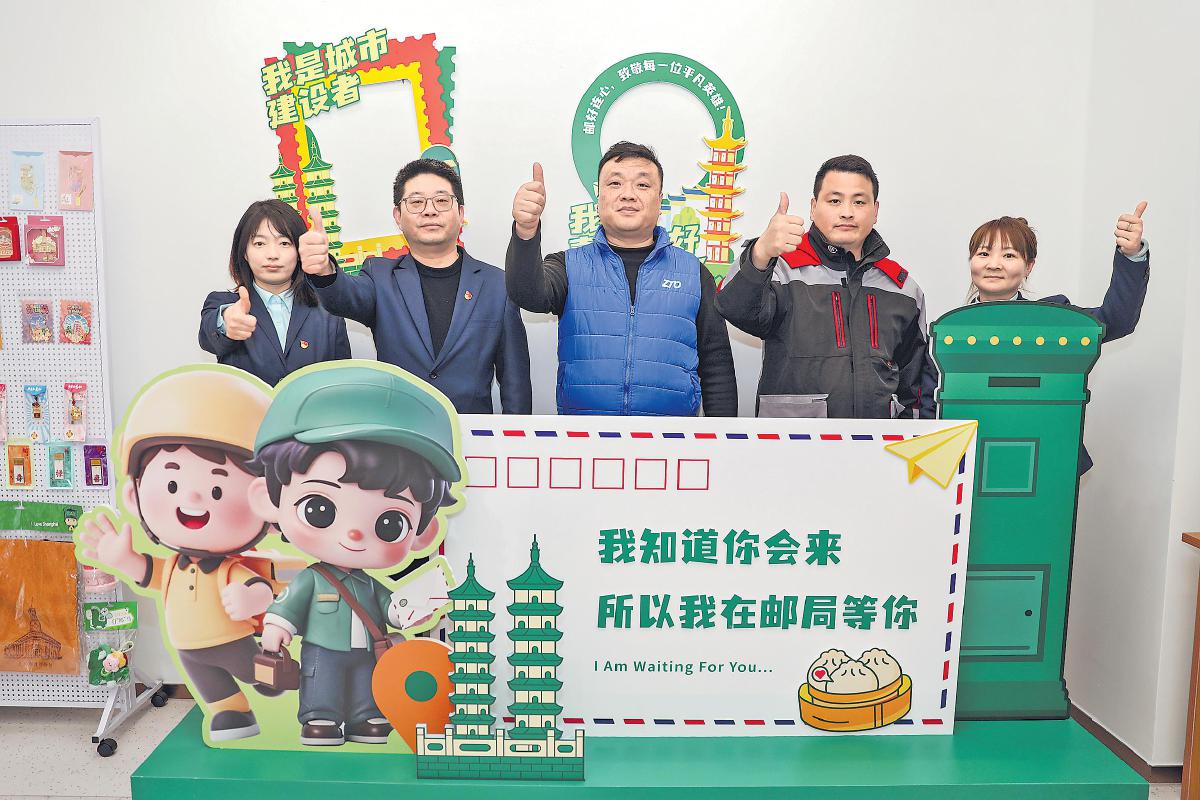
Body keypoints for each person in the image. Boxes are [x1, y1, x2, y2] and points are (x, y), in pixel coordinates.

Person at [251, 364, 460, 746]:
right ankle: (320, 718)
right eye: (319, 509)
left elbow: (390, 607)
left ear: (423, 533)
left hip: (368, 651)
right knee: (321, 684)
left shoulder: (369, 584)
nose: (353, 534)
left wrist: (413, 608)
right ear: (269, 499)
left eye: (389, 523)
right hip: (322, 650)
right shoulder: (313, 579)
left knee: (369, 685)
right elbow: (288, 606)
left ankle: (367, 718)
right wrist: (277, 629)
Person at [78, 369, 278, 742]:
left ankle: (275, 678)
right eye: (172, 484)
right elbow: (151, 573)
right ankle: (232, 712)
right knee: (211, 685)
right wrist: (122, 559)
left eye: (217, 489)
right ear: (134, 495)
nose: (193, 499)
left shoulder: (227, 568)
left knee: (261, 675)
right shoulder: (174, 565)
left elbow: (257, 585)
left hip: (232, 641)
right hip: (188, 648)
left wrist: (252, 597)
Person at [506, 141, 737, 416]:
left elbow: (717, 366)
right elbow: (528, 294)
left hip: (672, 436)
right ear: (599, 197)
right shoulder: (567, 265)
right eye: (615, 183)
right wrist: (526, 231)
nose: (628, 194)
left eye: (642, 185)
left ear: (660, 200)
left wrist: (723, 436)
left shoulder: (694, 273)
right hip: (584, 434)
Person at [926, 204, 1150, 471]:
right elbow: (930, 403)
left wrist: (1131, 255)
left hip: (1046, 462)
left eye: (1009, 255)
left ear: (1029, 266)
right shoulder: (948, 332)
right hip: (967, 465)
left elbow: (1117, 321)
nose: (994, 264)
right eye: (983, 253)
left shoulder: (1053, 320)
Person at [300, 159, 531, 414]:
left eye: (441, 201)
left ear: (461, 213)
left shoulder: (497, 285)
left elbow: (516, 386)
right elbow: (344, 297)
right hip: (400, 432)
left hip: (470, 433)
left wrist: (517, 433)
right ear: (398, 216)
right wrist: (324, 270)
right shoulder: (380, 276)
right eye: (416, 202)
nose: (429, 211)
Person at [715, 154, 931, 418]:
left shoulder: (903, 289)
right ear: (813, 207)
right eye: (835, 201)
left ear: (875, 211)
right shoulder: (781, 269)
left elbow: (917, 387)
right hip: (791, 440)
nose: (847, 212)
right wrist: (760, 253)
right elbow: (734, 308)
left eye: (859, 201)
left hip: (877, 442)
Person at [199, 200, 350, 386]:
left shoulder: (328, 310)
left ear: (299, 251)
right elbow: (208, 336)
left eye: (284, 243)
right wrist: (226, 323)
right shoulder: (224, 303)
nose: (272, 254)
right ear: (244, 252)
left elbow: (342, 384)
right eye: (259, 243)